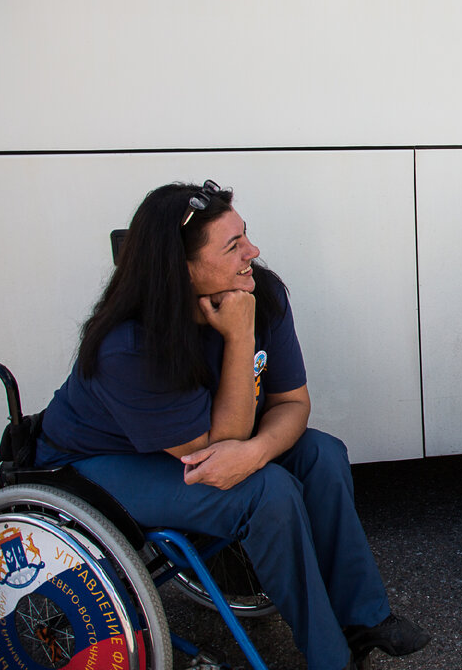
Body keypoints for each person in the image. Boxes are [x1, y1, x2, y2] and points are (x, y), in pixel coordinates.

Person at [35, 181, 430, 670]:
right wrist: (240, 336)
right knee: (266, 493)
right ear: (182, 270)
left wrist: (260, 449)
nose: (253, 251)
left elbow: (292, 402)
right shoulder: (132, 345)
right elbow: (221, 449)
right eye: (233, 246)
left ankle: (362, 618)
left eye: (245, 235)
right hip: (95, 465)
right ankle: (330, 658)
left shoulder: (260, 293)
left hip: (200, 443)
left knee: (322, 455)